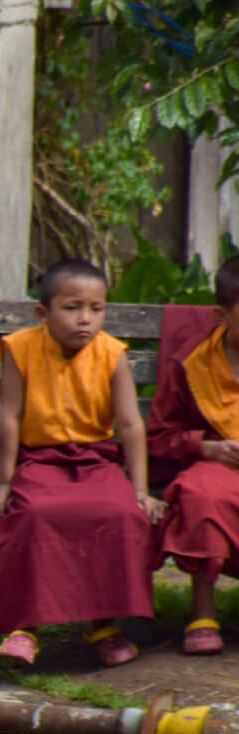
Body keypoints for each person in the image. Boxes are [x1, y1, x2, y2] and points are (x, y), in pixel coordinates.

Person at [0, 259, 163, 669]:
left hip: (96, 461)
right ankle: (24, 627)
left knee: (118, 514)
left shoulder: (112, 354)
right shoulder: (21, 349)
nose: (86, 320)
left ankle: (103, 624)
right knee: (34, 514)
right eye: (73, 307)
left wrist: (139, 491)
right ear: (42, 313)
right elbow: (8, 418)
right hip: (40, 461)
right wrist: (5, 483)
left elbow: (130, 424)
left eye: (96, 309)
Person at [147, 256, 239, 654]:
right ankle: (203, 611)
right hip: (220, 464)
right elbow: (159, 434)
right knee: (200, 494)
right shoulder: (194, 362)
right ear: (221, 315)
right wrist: (207, 447)